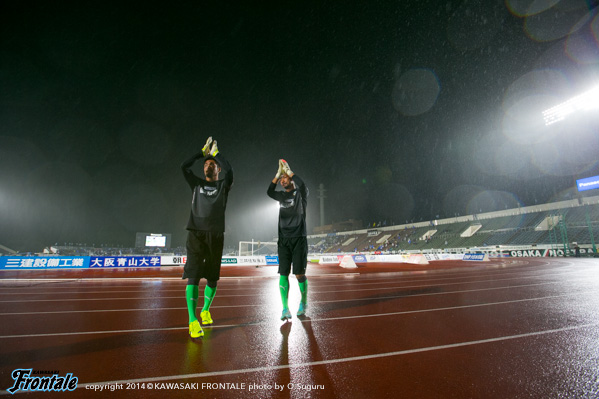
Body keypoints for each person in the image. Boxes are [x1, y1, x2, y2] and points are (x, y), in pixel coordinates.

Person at [181, 137, 233, 338]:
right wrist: (202, 154)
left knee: (212, 278)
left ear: (218, 169)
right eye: (206, 164)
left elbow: (231, 171)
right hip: (195, 233)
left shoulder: (223, 186)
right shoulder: (196, 184)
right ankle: (192, 320)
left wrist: (217, 154)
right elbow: (183, 167)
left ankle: (205, 310)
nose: (208, 166)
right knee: (193, 276)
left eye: (212, 164)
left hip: (216, 235)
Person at [267, 159, 309, 320]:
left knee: (299, 274)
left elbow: (303, 185)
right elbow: (269, 192)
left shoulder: (300, 194)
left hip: (299, 238)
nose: (282, 180)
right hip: (283, 240)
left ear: (291, 179)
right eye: (281, 178)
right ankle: (285, 308)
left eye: (285, 177)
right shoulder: (281, 196)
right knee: (283, 274)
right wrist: (276, 175)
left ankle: (303, 302)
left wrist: (290, 171)